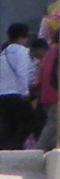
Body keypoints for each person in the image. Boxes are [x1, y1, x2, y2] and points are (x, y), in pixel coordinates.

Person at [0, 22, 31, 152]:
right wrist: (25, 92)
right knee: (27, 123)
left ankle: (4, 149)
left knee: (7, 125)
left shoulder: (3, 53)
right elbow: (22, 72)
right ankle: (14, 149)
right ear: (22, 37)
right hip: (17, 94)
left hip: (2, 95)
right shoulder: (22, 52)